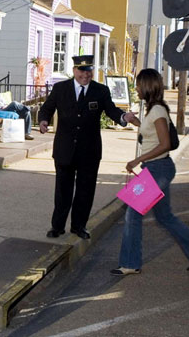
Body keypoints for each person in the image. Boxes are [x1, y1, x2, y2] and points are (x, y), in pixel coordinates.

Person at [39, 55, 136, 239]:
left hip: (89, 151)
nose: (85, 75)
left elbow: (111, 110)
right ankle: (57, 226)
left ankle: (79, 226)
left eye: (89, 71)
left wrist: (124, 117)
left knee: (85, 190)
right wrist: (43, 120)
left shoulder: (100, 90)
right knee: (62, 191)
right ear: (74, 70)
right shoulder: (61, 89)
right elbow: (47, 108)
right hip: (64, 149)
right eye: (82, 71)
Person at [112, 68, 189, 276]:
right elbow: (153, 136)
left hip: (158, 169)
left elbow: (164, 144)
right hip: (157, 168)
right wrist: (136, 122)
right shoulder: (153, 110)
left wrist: (137, 159)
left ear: (147, 86)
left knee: (132, 212)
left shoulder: (156, 110)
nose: (136, 88)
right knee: (165, 218)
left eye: (138, 84)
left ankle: (130, 263)